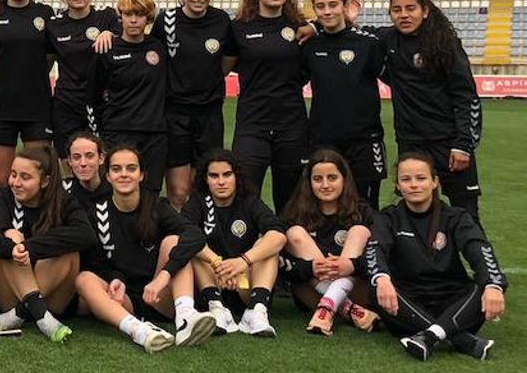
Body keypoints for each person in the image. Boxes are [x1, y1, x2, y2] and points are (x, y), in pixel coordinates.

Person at [70, 140, 215, 351]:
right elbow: (95, 263)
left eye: (131, 168)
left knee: (174, 241)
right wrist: (115, 279)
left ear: (141, 175)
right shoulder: (96, 213)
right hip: (124, 300)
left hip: (161, 296)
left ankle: (186, 318)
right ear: (107, 176)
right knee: (84, 279)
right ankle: (140, 331)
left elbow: (195, 235)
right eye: (116, 169)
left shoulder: (156, 205)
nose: (124, 174)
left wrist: (164, 275)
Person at [366, 153, 506, 361]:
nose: (414, 185)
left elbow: (478, 248)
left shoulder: (456, 217)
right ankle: (458, 338)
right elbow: (374, 249)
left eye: (421, 178)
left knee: (487, 284)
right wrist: (382, 278)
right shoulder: (388, 217)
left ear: (434, 182)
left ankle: (429, 336)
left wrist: (493, 286)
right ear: (398, 185)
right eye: (406, 179)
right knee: (378, 286)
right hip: (409, 303)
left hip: (453, 301)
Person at [370, 0, 483, 221]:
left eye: (410, 8)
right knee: (416, 216)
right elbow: (357, 34)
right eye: (396, 10)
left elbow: (466, 96)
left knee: (467, 215)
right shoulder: (387, 39)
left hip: (449, 144)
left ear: (425, 11)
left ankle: (476, 258)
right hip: (411, 144)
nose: (404, 15)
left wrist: (464, 144)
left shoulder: (445, 43)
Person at [0, 144, 95, 342]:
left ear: (45, 181)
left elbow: (86, 235)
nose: (16, 182)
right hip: (10, 293)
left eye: (25, 177)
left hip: (55, 299)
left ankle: (20, 314)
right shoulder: (4, 196)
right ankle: (40, 314)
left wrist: (30, 248)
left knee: (69, 252)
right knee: (11, 235)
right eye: (13, 174)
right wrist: (13, 248)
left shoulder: (63, 201)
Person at [226, 0, 310, 211]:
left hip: (291, 124)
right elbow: (220, 69)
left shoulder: (301, 28)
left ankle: (289, 249)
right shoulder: (238, 28)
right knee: (244, 196)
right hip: (252, 124)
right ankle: (247, 249)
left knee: (291, 201)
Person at [182, 149, 287, 337]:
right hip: (213, 280)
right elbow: (185, 236)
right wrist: (219, 264)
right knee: (192, 245)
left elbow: (279, 236)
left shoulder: (248, 201)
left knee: (269, 243)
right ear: (205, 179)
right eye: (214, 176)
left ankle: (256, 311)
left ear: (236, 177)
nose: (221, 181)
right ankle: (216, 309)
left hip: (244, 282)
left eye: (227, 175)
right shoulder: (197, 203)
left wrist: (242, 262)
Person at [302, 0, 387, 207]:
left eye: (333, 4)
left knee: (366, 206)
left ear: (345, 5)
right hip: (323, 140)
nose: (327, 11)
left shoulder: (369, 44)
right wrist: (313, 27)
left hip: (365, 140)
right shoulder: (309, 46)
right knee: (325, 204)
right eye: (320, 6)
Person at [157, 0, 235, 210]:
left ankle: (204, 241)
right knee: (179, 193)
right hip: (175, 115)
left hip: (209, 115)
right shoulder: (166, 21)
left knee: (204, 188)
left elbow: (228, 60)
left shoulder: (221, 20)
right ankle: (180, 242)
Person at [279, 149, 378, 336]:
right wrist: (310, 269)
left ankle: (329, 309)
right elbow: (283, 265)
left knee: (359, 231)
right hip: (312, 291)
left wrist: (351, 265)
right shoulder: (295, 214)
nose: (325, 185)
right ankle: (348, 309)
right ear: (308, 182)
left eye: (332, 178)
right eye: (317, 179)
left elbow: (380, 257)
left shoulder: (362, 212)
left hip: (357, 288)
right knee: (294, 234)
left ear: (344, 179)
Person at [0, 0, 56, 186]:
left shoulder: (45, 13)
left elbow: (52, 52)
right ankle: (5, 223)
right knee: (3, 181)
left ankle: (40, 223)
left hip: (38, 107)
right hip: (1, 108)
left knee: (37, 178)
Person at [87, 0, 169, 195]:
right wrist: (100, 138)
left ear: (148, 18)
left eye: (140, 15)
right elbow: (92, 97)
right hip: (118, 134)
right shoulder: (107, 49)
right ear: (120, 16)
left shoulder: (159, 47)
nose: (133, 20)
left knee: (150, 193)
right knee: (119, 192)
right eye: (128, 14)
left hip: (154, 136)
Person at [46, 0, 118, 150]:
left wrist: (111, 33)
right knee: (67, 155)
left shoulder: (106, 17)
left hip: (100, 102)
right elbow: (45, 62)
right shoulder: (54, 25)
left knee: (101, 156)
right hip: (66, 102)